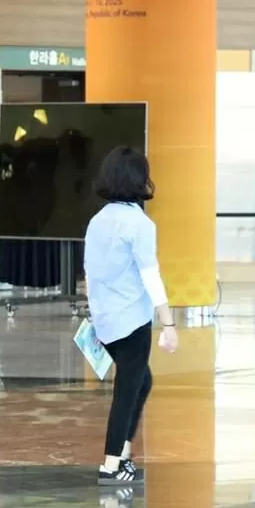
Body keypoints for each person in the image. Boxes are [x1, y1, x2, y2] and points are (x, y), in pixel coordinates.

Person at [83, 147, 178, 486]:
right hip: (133, 321)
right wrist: (168, 324)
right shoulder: (139, 223)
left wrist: (96, 313)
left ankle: (122, 454)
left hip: (106, 319)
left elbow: (90, 273)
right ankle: (112, 465)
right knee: (128, 388)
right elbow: (150, 274)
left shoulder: (98, 220)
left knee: (141, 381)